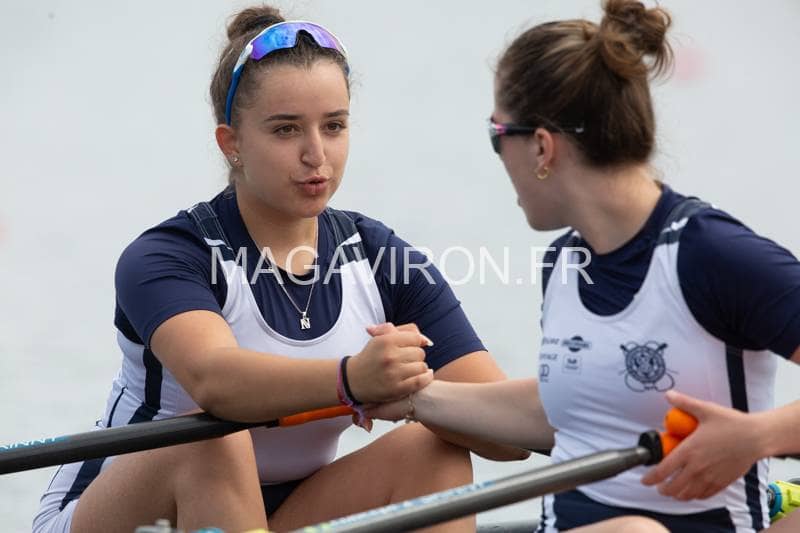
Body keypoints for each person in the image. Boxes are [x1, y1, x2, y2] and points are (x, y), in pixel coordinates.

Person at [32, 6, 528, 533]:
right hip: (121, 514)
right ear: (232, 144)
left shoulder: (380, 257)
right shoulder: (167, 256)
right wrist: (353, 379)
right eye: (287, 129)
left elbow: (510, 435)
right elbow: (216, 383)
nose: (316, 154)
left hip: (279, 515)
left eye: (333, 126)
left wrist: (416, 397)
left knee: (432, 448)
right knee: (213, 440)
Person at [367, 0, 800, 531]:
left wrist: (759, 437)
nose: (497, 155)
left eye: (496, 134)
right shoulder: (565, 263)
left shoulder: (713, 254)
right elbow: (573, 414)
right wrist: (413, 397)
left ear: (542, 147)